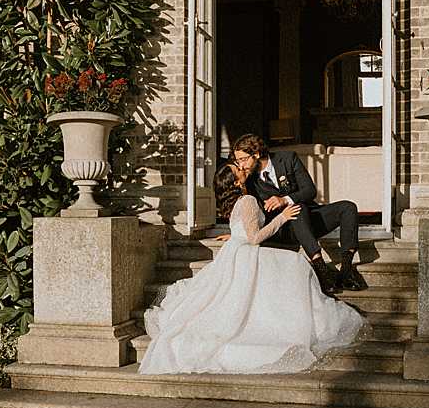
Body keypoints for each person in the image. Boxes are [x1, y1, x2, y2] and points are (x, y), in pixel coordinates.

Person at [138, 160, 365, 375]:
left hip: (237, 251)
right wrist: (283, 217)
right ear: (236, 182)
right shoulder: (247, 201)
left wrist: (234, 235)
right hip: (246, 252)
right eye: (237, 168)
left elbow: (245, 230)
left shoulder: (240, 201)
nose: (241, 167)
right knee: (296, 263)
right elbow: (255, 237)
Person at [231, 133, 368, 296]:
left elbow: (309, 190)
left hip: (308, 221)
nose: (240, 164)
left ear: (257, 154)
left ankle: (346, 270)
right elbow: (243, 207)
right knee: (298, 207)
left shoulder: (288, 158)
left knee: (348, 207)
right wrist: (237, 233)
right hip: (283, 228)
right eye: (238, 160)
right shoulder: (249, 178)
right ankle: (320, 267)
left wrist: (284, 199)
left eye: (243, 159)